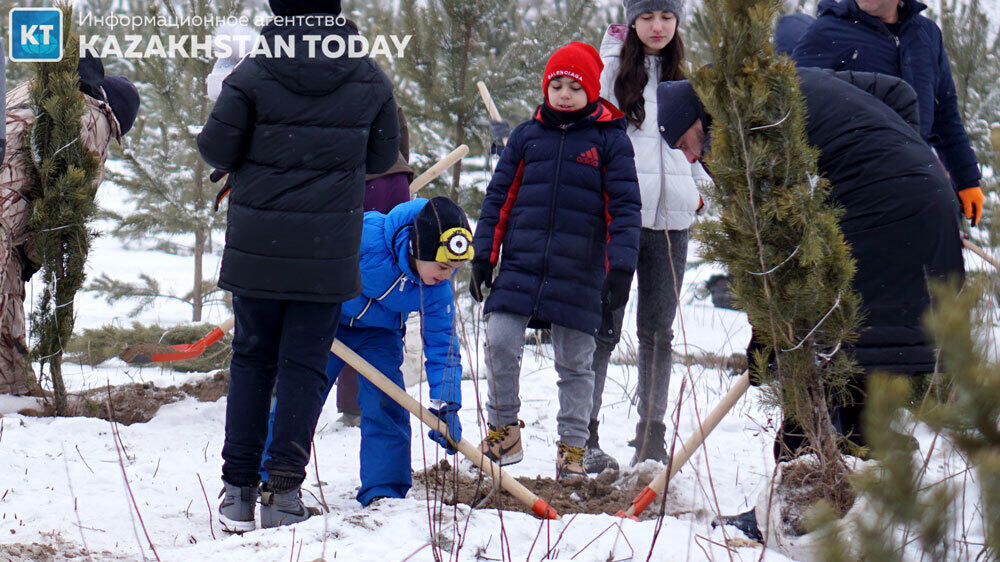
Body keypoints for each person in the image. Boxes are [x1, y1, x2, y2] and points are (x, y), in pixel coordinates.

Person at [658, 68, 964, 459]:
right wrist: (902, 155)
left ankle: (800, 465)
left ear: (701, 119)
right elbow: (897, 91)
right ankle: (859, 450)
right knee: (858, 330)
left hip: (881, 203)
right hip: (924, 187)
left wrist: (767, 330)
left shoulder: (742, 127)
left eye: (686, 143)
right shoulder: (781, 78)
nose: (691, 157)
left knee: (814, 332)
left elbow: (772, 249)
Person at [198, 0, 399, 532]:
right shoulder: (367, 73)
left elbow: (215, 147)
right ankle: (283, 492)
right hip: (325, 251)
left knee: (252, 361)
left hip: (258, 247)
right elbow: (382, 160)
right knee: (303, 370)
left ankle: (237, 492)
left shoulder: (254, 72)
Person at [470, 41, 641, 480]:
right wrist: (484, 255)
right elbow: (498, 199)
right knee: (500, 341)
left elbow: (624, 208)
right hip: (522, 267)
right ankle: (504, 432)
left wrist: (621, 268)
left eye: (574, 87)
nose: (564, 94)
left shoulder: (610, 141)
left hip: (581, 273)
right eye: (557, 85)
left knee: (574, 363)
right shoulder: (527, 137)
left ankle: (572, 449)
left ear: (592, 92)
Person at [586, 0, 710, 472]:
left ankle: (652, 437)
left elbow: (707, 148)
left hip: (673, 221)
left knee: (658, 332)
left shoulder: (690, 76)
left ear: (677, 21)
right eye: (647, 17)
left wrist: (700, 194)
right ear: (631, 21)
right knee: (603, 327)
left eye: (666, 17)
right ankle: (586, 434)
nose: (657, 27)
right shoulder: (611, 72)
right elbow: (593, 136)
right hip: (618, 219)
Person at [313, 196, 468, 506]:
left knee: (386, 403)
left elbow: (442, 346)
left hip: (379, 335)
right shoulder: (366, 236)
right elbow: (314, 255)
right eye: (442, 266)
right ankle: (273, 477)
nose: (446, 275)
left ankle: (384, 492)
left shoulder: (437, 289)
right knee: (298, 395)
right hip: (325, 321)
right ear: (418, 249)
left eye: (454, 269)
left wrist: (447, 402)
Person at [0, 55, 139, 395]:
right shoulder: (94, 119)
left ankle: (13, 393)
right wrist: (36, 256)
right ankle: (12, 393)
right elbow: (68, 203)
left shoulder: (31, 89)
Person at [791, 0, 984, 227]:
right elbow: (795, 108)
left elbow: (945, 115)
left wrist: (967, 179)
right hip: (855, 199)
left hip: (915, 188)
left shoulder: (926, 35)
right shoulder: (826, 33)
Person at [334, 106, 414, 428]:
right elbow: (401, 136)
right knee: (379, 286)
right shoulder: (380, 91)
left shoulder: (334, 91)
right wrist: (397, 173)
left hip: (346, 182)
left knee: (349, 292)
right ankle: (358, 402)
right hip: (390, 179)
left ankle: (353, 404)